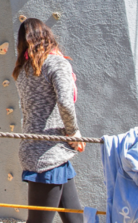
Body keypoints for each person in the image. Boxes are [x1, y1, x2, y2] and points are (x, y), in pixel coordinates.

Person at [12, 18, 85, 223]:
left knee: (75, 219)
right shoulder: (56, 63)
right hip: (48, 154)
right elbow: (65, 102)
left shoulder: (24, 69)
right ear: (47, 36)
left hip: (42, 150)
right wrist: (74, 132)